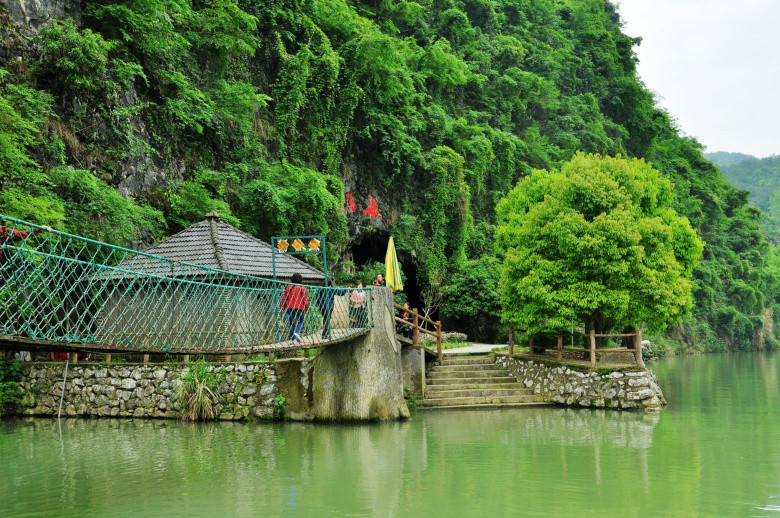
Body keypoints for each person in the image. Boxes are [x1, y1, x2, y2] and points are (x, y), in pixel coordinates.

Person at [281, 273, 309, 345]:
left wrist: (283, 307)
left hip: (290, 307)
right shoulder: (302, 287)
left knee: (292, 323)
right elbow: (305, 299)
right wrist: (306, 308)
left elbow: (285, 297)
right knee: (301, 321)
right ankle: (296, 332)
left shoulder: (289, 287)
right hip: (299, 307)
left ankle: (291, 340)